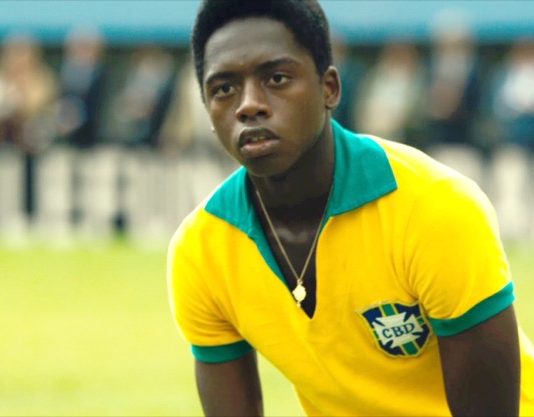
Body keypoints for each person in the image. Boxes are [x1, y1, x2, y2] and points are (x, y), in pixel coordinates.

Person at [167, 1, 534, 415]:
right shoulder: (202, 250)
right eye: (224, 89)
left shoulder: (434, 207)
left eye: (277, 78)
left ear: (330, 89)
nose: (249, 104)